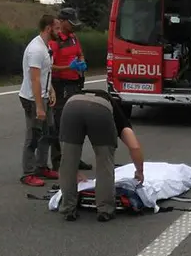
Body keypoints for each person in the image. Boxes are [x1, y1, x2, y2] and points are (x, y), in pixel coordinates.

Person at [57, 89, 145, 222]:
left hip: (71, 107)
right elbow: (134, 146)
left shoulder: (76, 98)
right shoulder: (118, 115)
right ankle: (105, 210)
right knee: (105, 161)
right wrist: (139, 171)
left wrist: (74, 171)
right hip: (100, 111)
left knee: (68, 161)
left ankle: (68, 209)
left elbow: (65, 153)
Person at [48, 7, 92, 172]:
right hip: (60, 86)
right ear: (63, 21)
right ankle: (58, 161)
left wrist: (81, 61)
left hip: (75, 84)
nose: (73, 26)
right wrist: (68, 66)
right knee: (59, 124)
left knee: (76, 123)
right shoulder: (55, 41)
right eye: (71, 23)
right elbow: (48, 66)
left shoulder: (73, 38)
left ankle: (74, 158)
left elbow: (79, 53)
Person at [18, 15, 59, 187]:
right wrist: (39, 107)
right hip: (32, 98)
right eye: (57, 28)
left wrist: (51, 89)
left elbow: (44, 73)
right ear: (49, 28)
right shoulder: (36, 49)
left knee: (48, 132)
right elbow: (34, 79)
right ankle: (28, 173)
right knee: (33, 136)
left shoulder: (46, 46)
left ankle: (42, 166)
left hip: (42, 95)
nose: (59, 31)